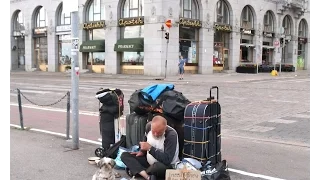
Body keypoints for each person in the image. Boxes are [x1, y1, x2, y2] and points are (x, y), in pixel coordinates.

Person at [121, 115, 180, 180]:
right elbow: (145, 138)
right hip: (149, 161)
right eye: (153, 131)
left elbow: (167, 160)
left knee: (156, 168)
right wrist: (142, 151)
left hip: (165, 165)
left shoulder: (171, 135)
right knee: (125, 155)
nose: (155, 134)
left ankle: (138, 171)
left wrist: (150, 148)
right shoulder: (148, 126)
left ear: (165, 128)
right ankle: (147, 176)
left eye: (159, 132)